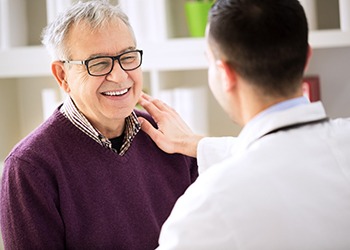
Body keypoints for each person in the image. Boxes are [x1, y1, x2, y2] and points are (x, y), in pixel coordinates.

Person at [138, 0, 350, 249]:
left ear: (225, 74)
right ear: (307, 57)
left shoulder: (208, 207)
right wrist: (197, 144)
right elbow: (286, 154)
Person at [0, 1, 198, 249]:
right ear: (63, 76)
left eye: (127, 57)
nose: (119, 75)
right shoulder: (29, 167)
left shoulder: (169, 136)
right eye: (99, 63)